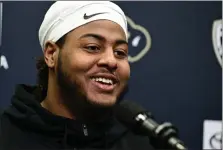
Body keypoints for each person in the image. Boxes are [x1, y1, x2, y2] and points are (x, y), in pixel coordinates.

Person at [0, 1, 156, 150]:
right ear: (51, 54)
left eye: (120, 52)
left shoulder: (141, 144)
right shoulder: (6, 136)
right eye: (93, 47)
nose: (111, 61)